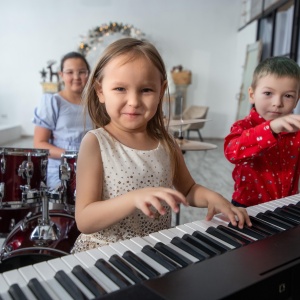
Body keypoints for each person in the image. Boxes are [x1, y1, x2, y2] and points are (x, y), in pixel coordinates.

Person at [71, 38, 251, 253]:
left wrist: (214, 198)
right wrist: (133, 199)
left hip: (154, 254)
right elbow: (85, 219)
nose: (134, 101)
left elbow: (189, 189)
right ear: (100, 91)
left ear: (161, 90)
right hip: (104, 255)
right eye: (120, 88)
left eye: (146, 90)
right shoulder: (96, 143)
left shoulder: (167, 143)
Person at [224, 56, 300, 207]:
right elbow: (232, 152)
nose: (277, 103)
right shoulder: (244, 126)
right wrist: (270, 128)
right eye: (268, 93)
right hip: (248, 207)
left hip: (287, 207)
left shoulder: (296, 129)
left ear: (297, 99)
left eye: (288, 96)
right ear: (252, 95)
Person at [33, 52, 93, 189]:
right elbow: (39, 143)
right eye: (70, 72)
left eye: (81, 72)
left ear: (88, 74)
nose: (76, 77)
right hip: (61, 169)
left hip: (91, 165)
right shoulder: (52, 101)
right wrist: (74, 157)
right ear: (61, 75)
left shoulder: (95, 103)